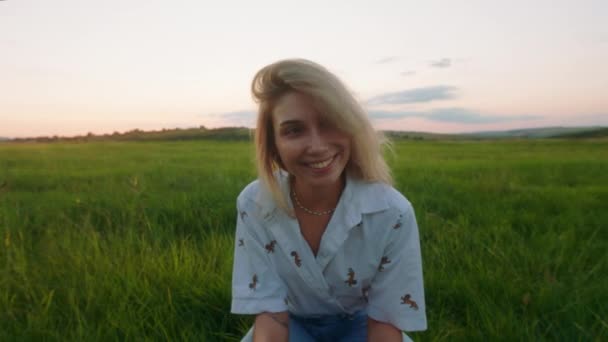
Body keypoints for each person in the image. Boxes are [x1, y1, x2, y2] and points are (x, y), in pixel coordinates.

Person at [231, 59, 426, 342]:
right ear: (273, 145)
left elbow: (385, 324)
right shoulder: (255, 204)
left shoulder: (392, 213)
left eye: (329, 123)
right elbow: (271, 317)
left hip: (364, 325)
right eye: (294, 130)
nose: (317, 146)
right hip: (291, 325)